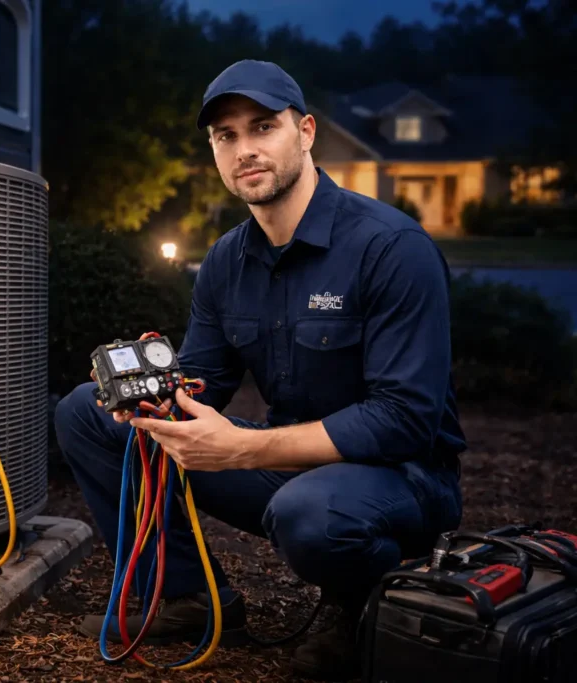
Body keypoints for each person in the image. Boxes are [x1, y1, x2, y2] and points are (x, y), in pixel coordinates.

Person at [53, 59, 466, 681]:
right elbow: (203, 382)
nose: (244, 149)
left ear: (304, 132)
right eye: (226, 136)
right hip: (285, 466)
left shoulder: (389, 248)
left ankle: (359, 609)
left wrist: (241, 451)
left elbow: (405, 420)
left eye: (262, 127)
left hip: (400, 478)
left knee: (312, 514)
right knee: (85, 412)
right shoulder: (227, 260)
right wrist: (154, 395)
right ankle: (190, 597)